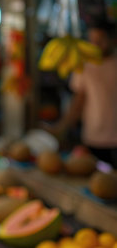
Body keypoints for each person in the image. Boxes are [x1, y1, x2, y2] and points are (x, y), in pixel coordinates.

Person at [49, 19, 117, 168]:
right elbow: (78, 101)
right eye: (92, 41)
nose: (95, 46)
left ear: (113, 39)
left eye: (100, 41)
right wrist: (62, 128)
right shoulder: (84, 66)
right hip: (93, 137)